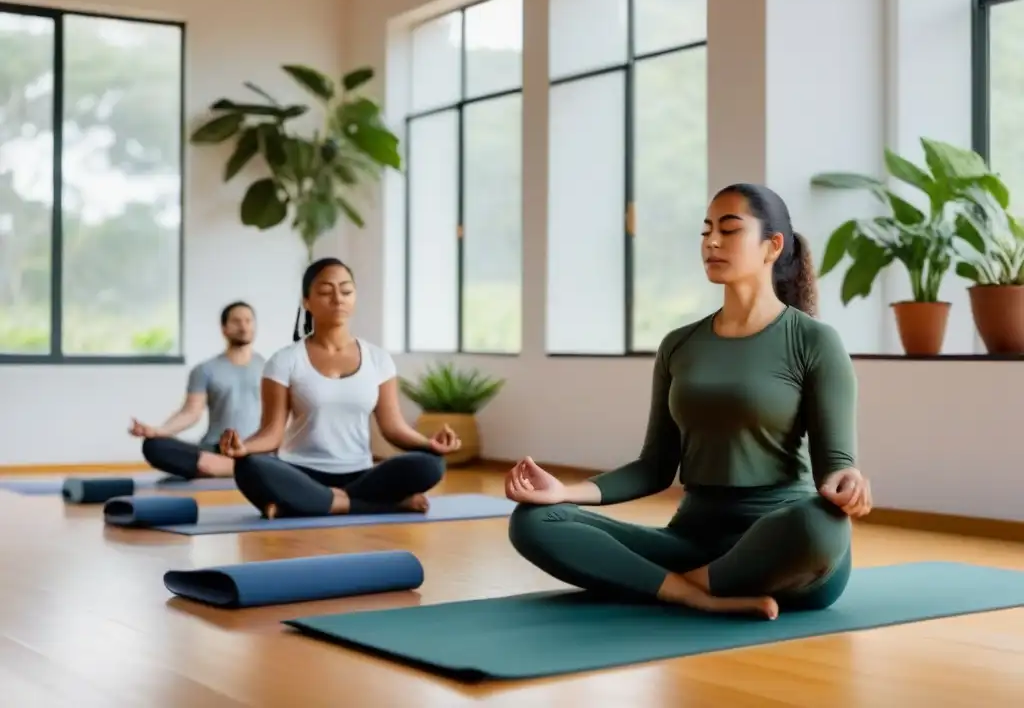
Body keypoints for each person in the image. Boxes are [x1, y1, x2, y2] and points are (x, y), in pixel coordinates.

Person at [505, 183, 872, 620]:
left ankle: (672, 585)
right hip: (691, 543)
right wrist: (564, 491)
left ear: (773, 246)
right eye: (706, 231)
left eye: (730, 230)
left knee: (822, 523)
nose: (712, 242)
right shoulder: (679, 345)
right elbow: (655, 467)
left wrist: (849, 483)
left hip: (784, 551)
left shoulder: (814, 341)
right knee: (532, 521)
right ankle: (688, 591)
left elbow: (837, 466)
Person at [218, 257, 460, 519]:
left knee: (430, 465)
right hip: (300, 472)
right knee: (249, 467)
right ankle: (378, 506)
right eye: (325, 291)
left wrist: (431, 444)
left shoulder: (378, 359)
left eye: (346, 291)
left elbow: (393, 428)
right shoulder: (284, 360)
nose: (338, 299)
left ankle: (311, 504)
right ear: (306, 301)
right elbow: (272, 433)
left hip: (361, 475)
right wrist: (244, 449)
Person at [129, 302, 265, 479]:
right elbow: (191, 412)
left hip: (254, 449)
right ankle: (233, 468)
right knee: (153, 446)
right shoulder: (205, 370)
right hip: (214, 449)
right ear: (224, 328)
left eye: (248, 321)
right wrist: (158, 431)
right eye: (237, 321)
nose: (244, 326)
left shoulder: (270, 368)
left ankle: (223, 468)